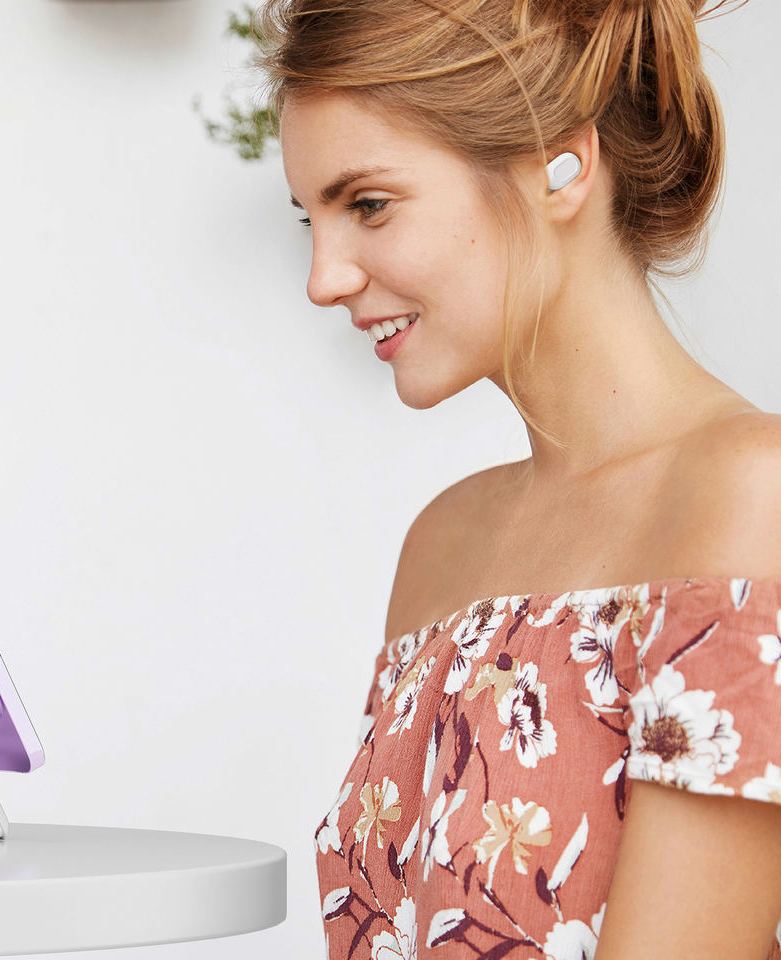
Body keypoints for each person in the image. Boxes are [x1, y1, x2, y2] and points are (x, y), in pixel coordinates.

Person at [254, 0, 781, 956]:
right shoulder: (443, 543)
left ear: (560, 166)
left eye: (367, 204)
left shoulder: (752, 498)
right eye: (311, 220)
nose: (324, 279)